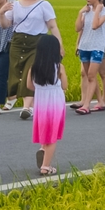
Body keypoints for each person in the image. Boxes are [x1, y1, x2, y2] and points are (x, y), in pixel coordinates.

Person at [2, 0, 63, 121]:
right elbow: (5, 25)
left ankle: (26, 107)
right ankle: (33, 106)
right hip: (17, 42)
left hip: (37, 43)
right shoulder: (14, 5)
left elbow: (52, 26)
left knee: (31, 72)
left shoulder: (44, 5)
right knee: (17, 72)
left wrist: (59, 45)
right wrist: (1, 13)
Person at [27, 34, 67, 176]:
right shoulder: (59, 67)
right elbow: (65, 86)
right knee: (53, 136)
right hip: (55, 103)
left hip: (41, 104)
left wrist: (41, 89)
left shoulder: (33, 68)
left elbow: (29, 86)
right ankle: (45, 166)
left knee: (45, 130)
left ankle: (43, 149)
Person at [72, 0, 105, 116]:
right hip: (85, 46)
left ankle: (86, 105)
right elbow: (78, 28)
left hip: (97, 47)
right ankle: (99, 101)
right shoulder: (86, 11)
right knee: (89, 75)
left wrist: (97, 10)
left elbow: (95, 26)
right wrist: (80, 13)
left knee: (92, 75)